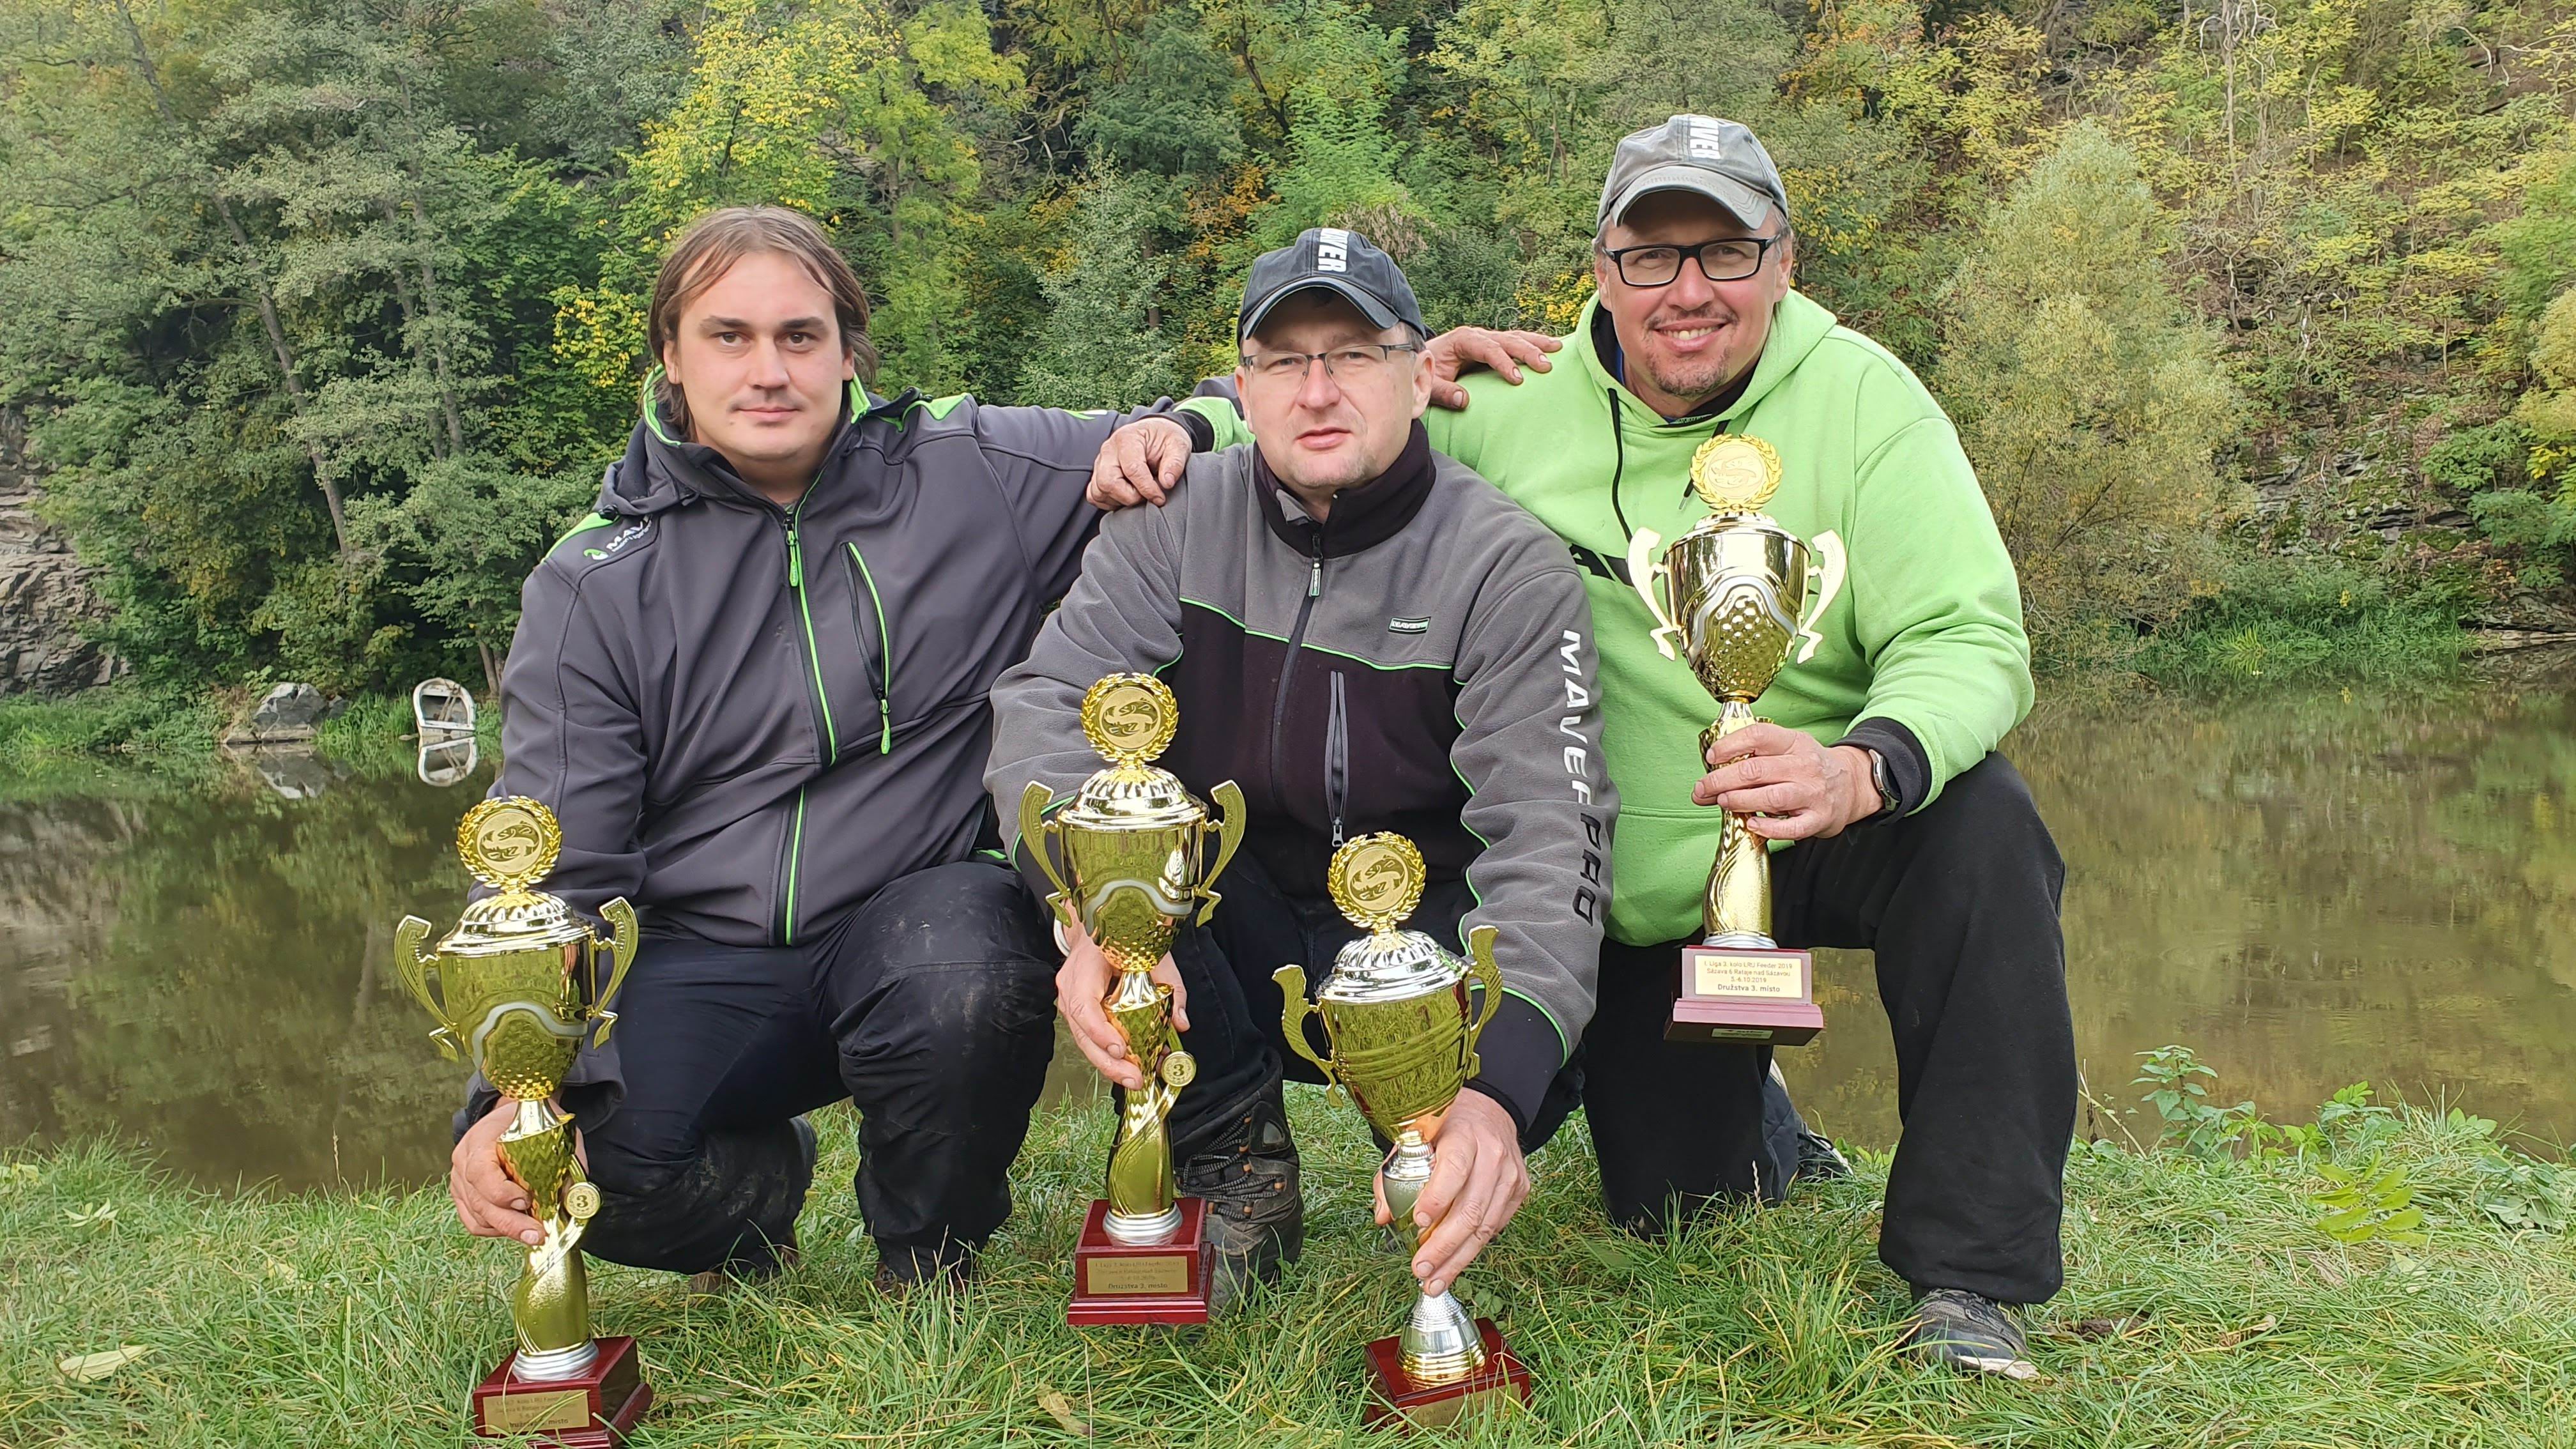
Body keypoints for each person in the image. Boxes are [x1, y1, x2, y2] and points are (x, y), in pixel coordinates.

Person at [1095, 118, 2075, 1374]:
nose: (1689, 291)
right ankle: (1754, 1117)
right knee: (1675, 1206)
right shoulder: (1502, 406)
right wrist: (1185, 423)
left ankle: (1968, 1280)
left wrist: (1865, 764)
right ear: (1601, 270)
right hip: (1608, 891)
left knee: (1986, 827)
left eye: (1725, 252)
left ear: (1785, 262)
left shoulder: (1871, 401)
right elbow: (1327, 417)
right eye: (1650, 255)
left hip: (1810, 819)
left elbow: (1971, 633)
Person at [443, 204, 1246, 1293]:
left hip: (921, 920)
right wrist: (513, 1096)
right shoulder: (592, 581)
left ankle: (928, 1257)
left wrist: (1230, 417)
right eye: (728, 336)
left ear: (847, 350)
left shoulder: (975, 469)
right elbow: (559, 870)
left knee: (960, 980)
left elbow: (1224, 409)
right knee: (582, 1172)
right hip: (702, 950)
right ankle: (756, 1195)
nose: (768, 370)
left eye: (800, 336)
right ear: (671, 360)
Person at [985, 228, 1613, 1310]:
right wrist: (1088, 916)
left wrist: (1501, 1089)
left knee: (1652, 1146)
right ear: (1244, 387)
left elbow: (1553, 830)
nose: (1318, 391)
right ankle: (1238, 1152)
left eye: (1355, 354)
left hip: (1421, 918)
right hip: (1240, 908)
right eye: (1286, 361)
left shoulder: (1508, 561)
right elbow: (1044, 710)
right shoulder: (1169, 522)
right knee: (1142, 855)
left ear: (1422, 376)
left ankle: (1474, 1130)